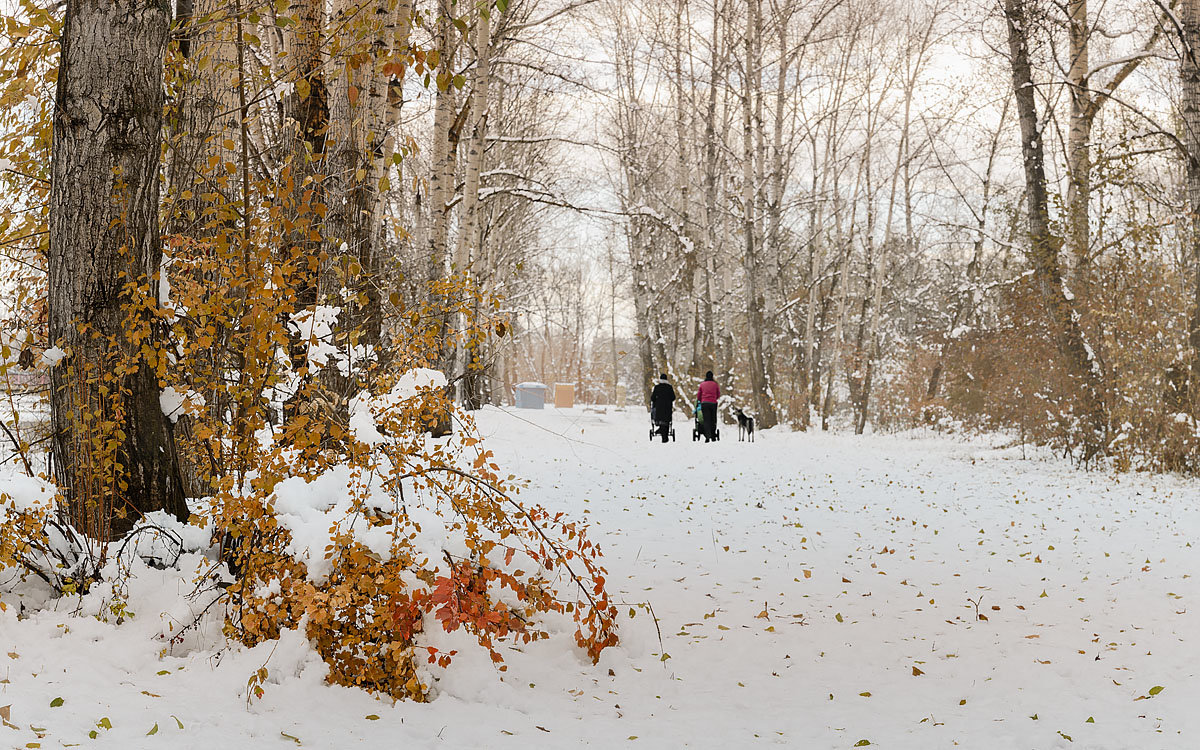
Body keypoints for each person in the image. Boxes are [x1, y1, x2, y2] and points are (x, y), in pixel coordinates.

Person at [649, 373, 676, 443]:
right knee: (666, 421)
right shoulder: (669, 387)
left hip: (659, 407)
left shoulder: (657, 387)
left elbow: (652, 398)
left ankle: (662, 433)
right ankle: (665, 435)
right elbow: (673, 397)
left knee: (661, 420)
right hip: (667, 408)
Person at [697, 370, 720, 442]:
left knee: (706, 420)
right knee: (713, 419)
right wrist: (714, 398)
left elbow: (699, 395)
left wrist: (701, 400)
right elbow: (718, 394)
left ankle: (707, 436)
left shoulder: (702, 384)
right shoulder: (715, 384)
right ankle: (713, 436)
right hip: (713, 403)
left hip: (704, 403)